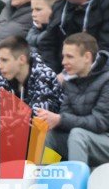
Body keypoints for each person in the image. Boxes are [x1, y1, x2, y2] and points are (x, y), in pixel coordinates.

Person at [40, 32, 109, 167]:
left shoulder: (107, 80)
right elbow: (67, 116)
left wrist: (60, 119)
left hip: (104, 139)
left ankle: (76, 179)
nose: (63, 62)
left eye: (69, 57)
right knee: (47, 134)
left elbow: (100, 122)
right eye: (63, 56)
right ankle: (44, 176)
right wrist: (50, 121)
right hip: (82, 139)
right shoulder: (70, 81)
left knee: (78, 135)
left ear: (87, 57)